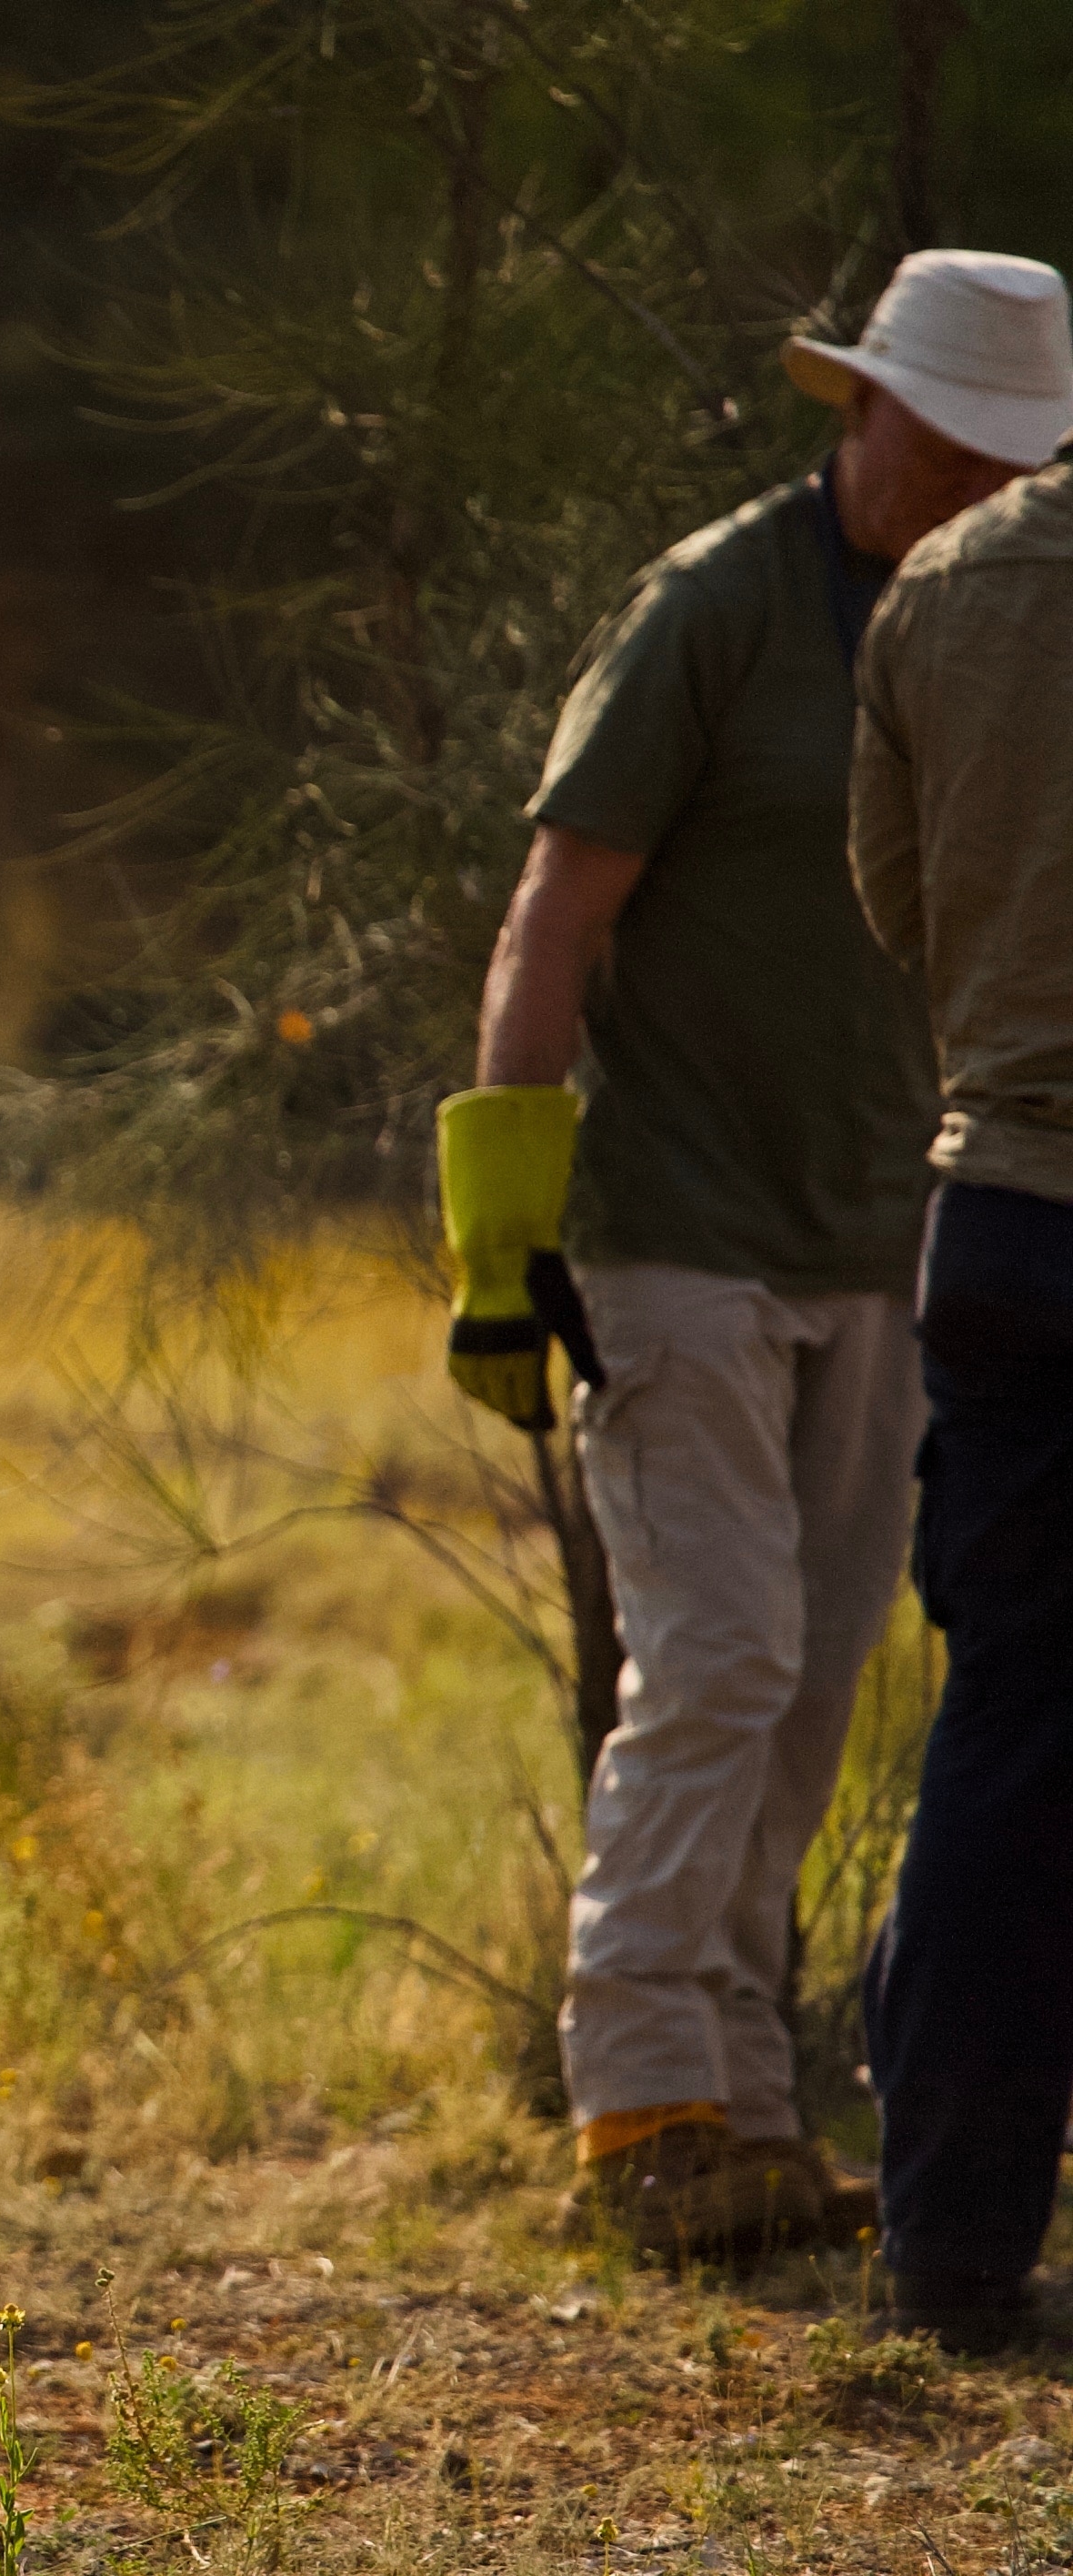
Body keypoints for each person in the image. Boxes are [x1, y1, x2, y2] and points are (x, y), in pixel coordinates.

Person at [438, 248, 1073, 2265]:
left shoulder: (991, 619)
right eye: (942, 443)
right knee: (711, 1662)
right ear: (860, 412)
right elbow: (554, 913)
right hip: (676, 1221)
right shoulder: (711, 605)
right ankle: (638, 2102)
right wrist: (497, 1228)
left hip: (892, 1224)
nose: (965, 485)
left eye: (1004, 459)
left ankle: (748, 2109)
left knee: (805, 1695)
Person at [850, 368, 1073, 2353]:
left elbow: (893, 896)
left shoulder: (943, 584)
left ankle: (947, 2243)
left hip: (998, 1213)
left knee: (1005, 1720)